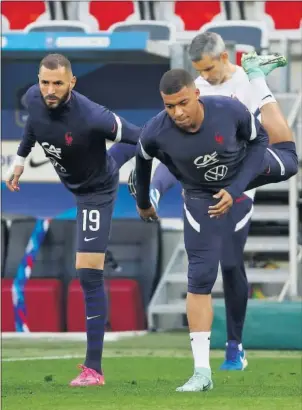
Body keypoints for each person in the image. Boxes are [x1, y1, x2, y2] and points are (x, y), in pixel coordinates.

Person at [128, 32, 287, 371]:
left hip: (239, 184)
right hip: (200, 184)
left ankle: (235, 345)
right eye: (200, 70)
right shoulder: (191, 92)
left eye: (210, 68)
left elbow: (261, 140)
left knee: (230, 264)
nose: (206, 76)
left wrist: (240, 183)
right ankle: (154, 191)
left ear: (225, 58)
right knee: (179, 161)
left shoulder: (243, 86)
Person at [5, 53, 140, 387]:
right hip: (80, 179)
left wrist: (169, 168)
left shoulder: (93, 115)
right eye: (45, 82)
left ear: (72, 83)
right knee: (112, 157)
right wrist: (20, 160)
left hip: (96, 191)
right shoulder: (33, 97)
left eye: (58, 83)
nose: (50, 90)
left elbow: (139, 137)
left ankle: (93, 369)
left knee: (87, 273)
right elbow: (34, 126)